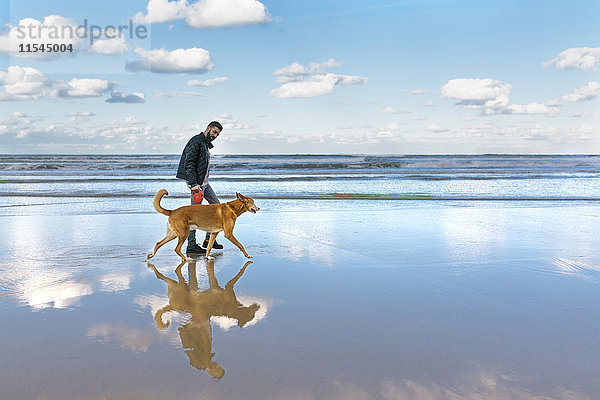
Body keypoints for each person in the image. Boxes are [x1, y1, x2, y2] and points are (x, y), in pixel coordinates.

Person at [176, 121, 224, 254]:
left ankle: (209, 240)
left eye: (218, 134)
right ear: (208, 128)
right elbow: (189, 163)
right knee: (194, 214)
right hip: (197, 184)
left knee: (217, 207)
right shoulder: (196, 141)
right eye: (214, 132)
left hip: (204, 183)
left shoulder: (205, 144)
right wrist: (193, 184)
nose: (215, 136)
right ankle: (191, 245)